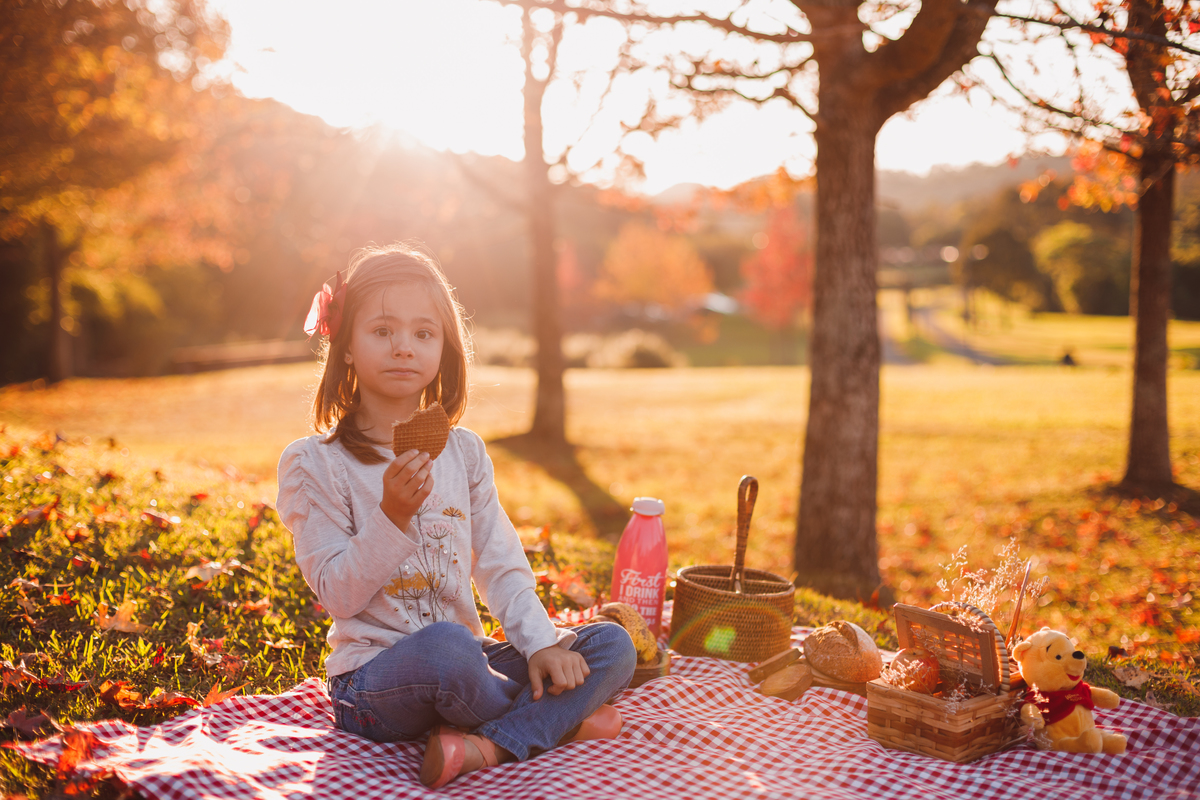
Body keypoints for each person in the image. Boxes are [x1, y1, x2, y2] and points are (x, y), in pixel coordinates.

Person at [276, 243, 636, 789]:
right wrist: (392, 516)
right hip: (374, 683)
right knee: (447, 647)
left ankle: (488, 745)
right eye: (382, 331)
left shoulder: (463, 452)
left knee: (610, 645)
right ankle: (558, 722)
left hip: (472, 662)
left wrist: (541, 645)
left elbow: (500, 560)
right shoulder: (315, 464)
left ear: (444, 348)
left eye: (424, 333)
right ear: (345, 345)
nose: (404, 347)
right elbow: (338, 595)